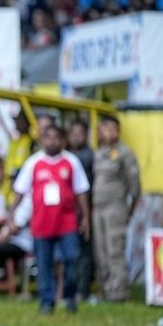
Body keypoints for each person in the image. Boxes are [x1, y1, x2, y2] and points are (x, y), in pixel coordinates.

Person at [11, 125, 90, 314]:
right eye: (48, 138)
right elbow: (20, 191)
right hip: (41, 222)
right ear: (43, 140)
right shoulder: (33, 163)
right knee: (44, 264)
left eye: (56, 138)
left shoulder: (71, 162)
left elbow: (81, 192)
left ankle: (69, 296)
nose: (52, 142)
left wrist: (86, 218)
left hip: (66, 222)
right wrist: (11, 215)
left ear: (63, 140)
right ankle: (47, 301)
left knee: (72, 259)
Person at [93, 116, 141, 302]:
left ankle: (119, 291)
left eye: (112, 129)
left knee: (115, 249)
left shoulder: (125, 152)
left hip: (115, 206)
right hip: (98, 207)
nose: (108, 132)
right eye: (105, 128)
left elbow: (134, 185)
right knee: (101, 250)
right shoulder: (100, 152)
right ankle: (105, 289)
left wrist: (129, 208)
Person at [68, 120, 96, 302]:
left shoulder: (89, 157)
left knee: (84, 251)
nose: (76, 137)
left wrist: (86, 215)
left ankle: (82, 289)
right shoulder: (66, 156)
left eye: (80, 134)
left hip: (85, 209)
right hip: (68, 211)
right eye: (73, 134)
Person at [3, 108, 37, 206]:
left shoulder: (32, 143)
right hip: (10, 189)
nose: (17, 123)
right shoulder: (14, 142)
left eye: (20, 120)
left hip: (24, 191)